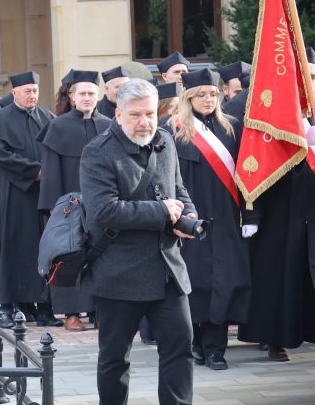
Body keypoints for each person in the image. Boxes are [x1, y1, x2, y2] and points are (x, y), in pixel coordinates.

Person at [80, 78, 196, 405]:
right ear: (118, 115)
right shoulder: (98, 152)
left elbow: (179, 191)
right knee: (115, 359)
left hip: (167, 270)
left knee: (179, 349)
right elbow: (103, 211)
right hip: (119, 274)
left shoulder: (164, 141)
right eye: (135, 115)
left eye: (149, 114)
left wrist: (188, 218)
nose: (145, 122)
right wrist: (161, 212)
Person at [167, 69, 254, 370]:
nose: (208, 99)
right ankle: (196, 341)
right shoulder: (174, 131)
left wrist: (251, 212)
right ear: (188, 97)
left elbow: (248, 173)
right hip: (191, 219)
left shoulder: (232, 128)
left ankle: (216, 348)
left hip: (227, 217)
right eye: (201, 94)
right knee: (196, 282)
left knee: (225, 282)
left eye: (213, 94)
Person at [237, 52, 315, 361]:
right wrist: (251, 212)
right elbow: (254, 164)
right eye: (305, 78)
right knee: (279, 276)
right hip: (280, 211)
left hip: (311, 208)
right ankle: (275, 338)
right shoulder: (271, 118)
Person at [0, 71, 58, 328]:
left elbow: (54, 151)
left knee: (44, 249)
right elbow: (1, 156)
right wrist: (35, 171)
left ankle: (44, 308)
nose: (32, 95)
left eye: (35, 91)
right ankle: (6, 305)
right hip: (15, 193)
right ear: (14, 93)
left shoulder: (47, 117)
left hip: (43, 195)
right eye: (27, 91)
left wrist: (48, 173)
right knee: (14, 248)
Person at [37, 70, 110, 331]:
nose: (88, 98)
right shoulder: (57, 127)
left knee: (103, 257)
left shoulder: (108, 125)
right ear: (72, 97)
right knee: (70, 256)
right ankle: (70, 313)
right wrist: (55, 209)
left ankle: (100, 309)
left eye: (92, 93)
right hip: (70, 204)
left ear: (98, 96)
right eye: (83, 93)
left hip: (103, 203)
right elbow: (51, 172)